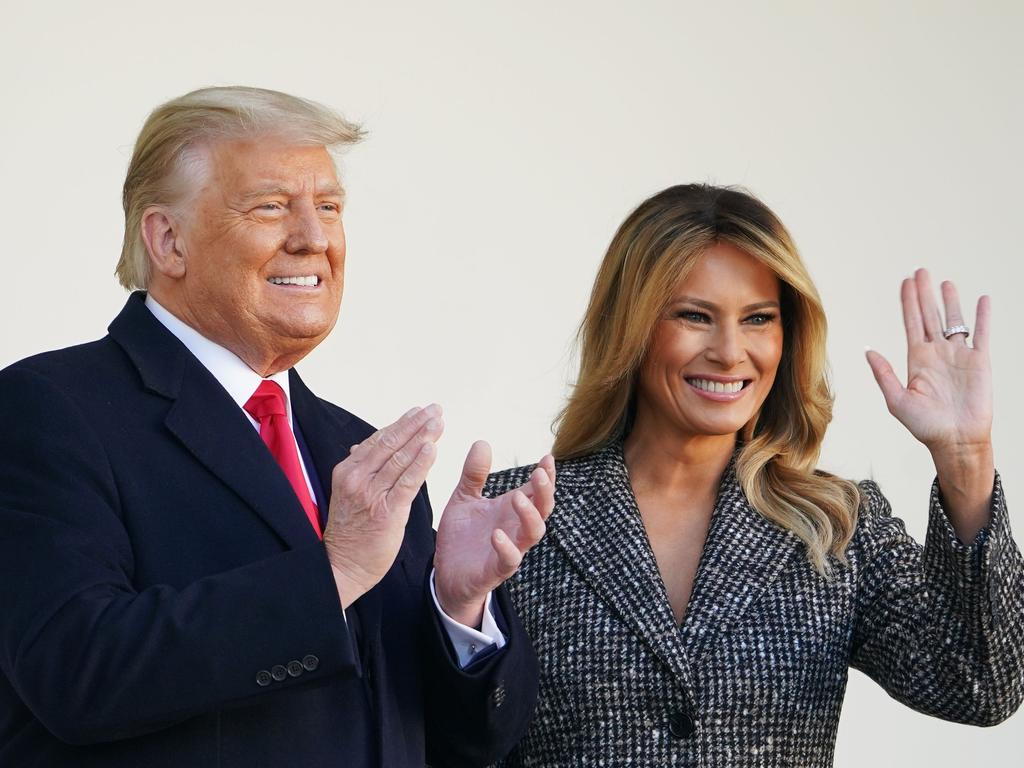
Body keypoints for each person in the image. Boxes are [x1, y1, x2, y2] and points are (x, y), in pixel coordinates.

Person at [0, 86, 557, 768]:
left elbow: (463, 746)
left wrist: (457, 606)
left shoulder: (364, 455)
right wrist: (335, 572)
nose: (315, 238)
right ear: (168, 240)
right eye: (271, 206)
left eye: (329, 207)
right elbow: (74, 674)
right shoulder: (47, 409)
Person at [484, 184, 1023, 766]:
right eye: (695, 316)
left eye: (758, 319)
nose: (730, 351)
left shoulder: (838, 525)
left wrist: (965, 458)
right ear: (631, 327)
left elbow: (980, 687)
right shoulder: (517, 514)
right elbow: (446, 727)